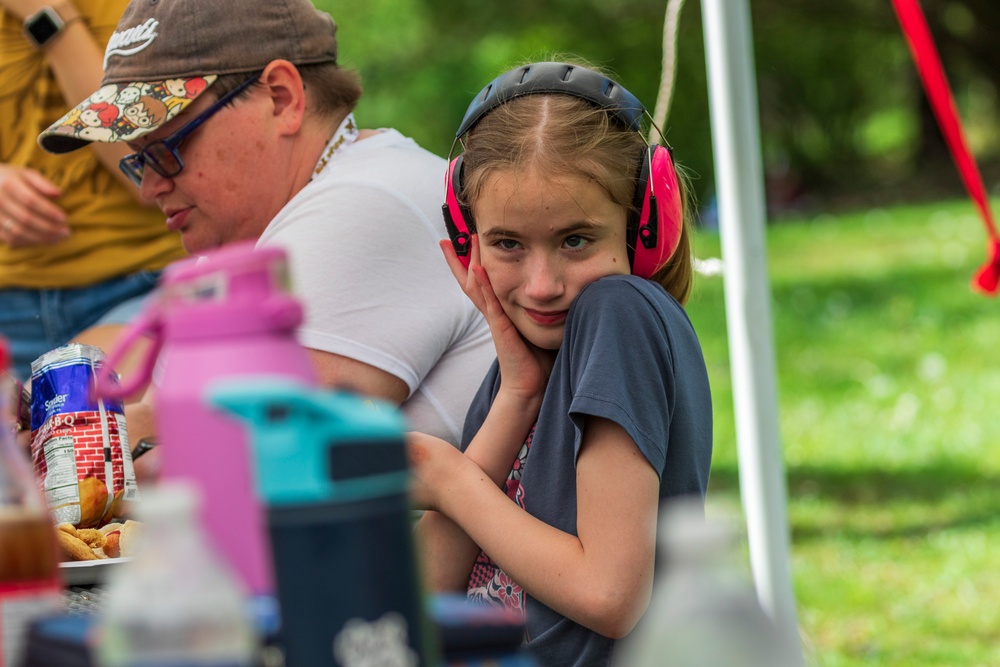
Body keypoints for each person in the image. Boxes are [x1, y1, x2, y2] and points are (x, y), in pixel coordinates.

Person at [36, 0, 494, 452]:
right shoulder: (315, 204)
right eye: (140, 161)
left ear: (282, 98)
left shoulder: (365, 201)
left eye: (166, 149)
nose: (149, 187)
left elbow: (235, 460)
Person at [407, 62, 714, 666]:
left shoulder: (616, 312)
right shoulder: (528, 364)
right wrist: (517, 396)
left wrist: (450, 480)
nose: (543, 286)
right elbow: (414, 600)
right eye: (507, 244)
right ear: (469, 241)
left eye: (576, 240)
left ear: (643, 228)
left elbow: (609, 595)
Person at [0, 0, 187, 383]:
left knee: (101, 420)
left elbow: (147, 175)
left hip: (144, 284)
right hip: (8, 308)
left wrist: (46, 17)